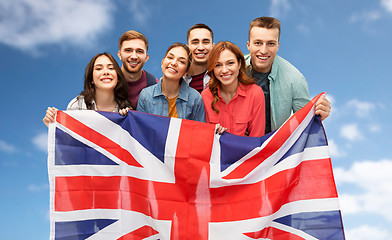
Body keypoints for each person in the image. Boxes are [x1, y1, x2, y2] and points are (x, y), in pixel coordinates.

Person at [245, 16, 331, 134]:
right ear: (248, 45)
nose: (263, 50)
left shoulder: (295, 79)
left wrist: (319, 115)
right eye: (258, 43)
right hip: (237, 142)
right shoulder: (232, 69)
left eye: (270, 43)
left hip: (274, 147)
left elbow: (306, 124)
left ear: (278, 46)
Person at [43, 52, 131, 126]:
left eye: (111, 68)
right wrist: (55, 125)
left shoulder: (127, 110)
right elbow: (70, 142)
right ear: (91, 79)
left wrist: (129, 119)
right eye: (99, 68)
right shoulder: (78, 105)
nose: (106, 72)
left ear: (118, 77)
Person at [201, 41, 265, 137]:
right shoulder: (205, 96)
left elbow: (256, 138)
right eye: (218, 65)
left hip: (246, 151)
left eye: (230, 63)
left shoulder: (255, 93)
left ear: (239, 64)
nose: (225, 70)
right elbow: (203, 137)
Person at [135, 43, 205, 122]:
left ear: (186, 71)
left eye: (181, 61)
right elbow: (140, 129)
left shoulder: (195, 98)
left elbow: (199, 131)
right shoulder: (145, 95)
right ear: (162, 62)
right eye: (170, 57)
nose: (174, 63)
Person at [117, 30, 158, 109]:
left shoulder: (155, 86)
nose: (134, 56)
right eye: (128, 50)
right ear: (119, 55)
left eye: (139, 51)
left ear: (146, 58)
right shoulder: (107, 82)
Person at [184, 23, 215, 93]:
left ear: (213, 47)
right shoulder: (177, 78)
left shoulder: (222, 76)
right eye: (195, 42)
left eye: (205, 42)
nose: (201, 48)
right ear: (187, 47)